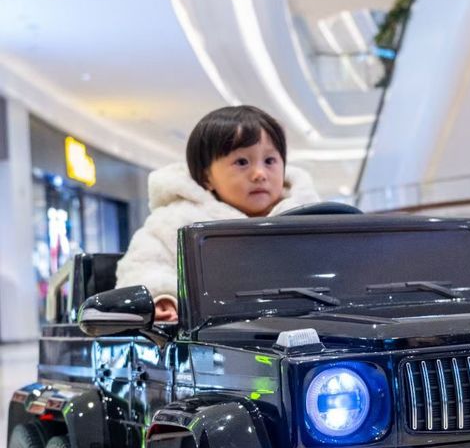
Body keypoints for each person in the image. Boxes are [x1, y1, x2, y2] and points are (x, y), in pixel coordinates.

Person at [116, 105, 320, 321]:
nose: (260, 174)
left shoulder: (313, 218)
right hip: (212, 342)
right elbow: (143, 267)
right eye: (242, 162)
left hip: (316, 337)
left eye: (270, 161)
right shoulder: (173, 223)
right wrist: (161, 297)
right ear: (207, 177)